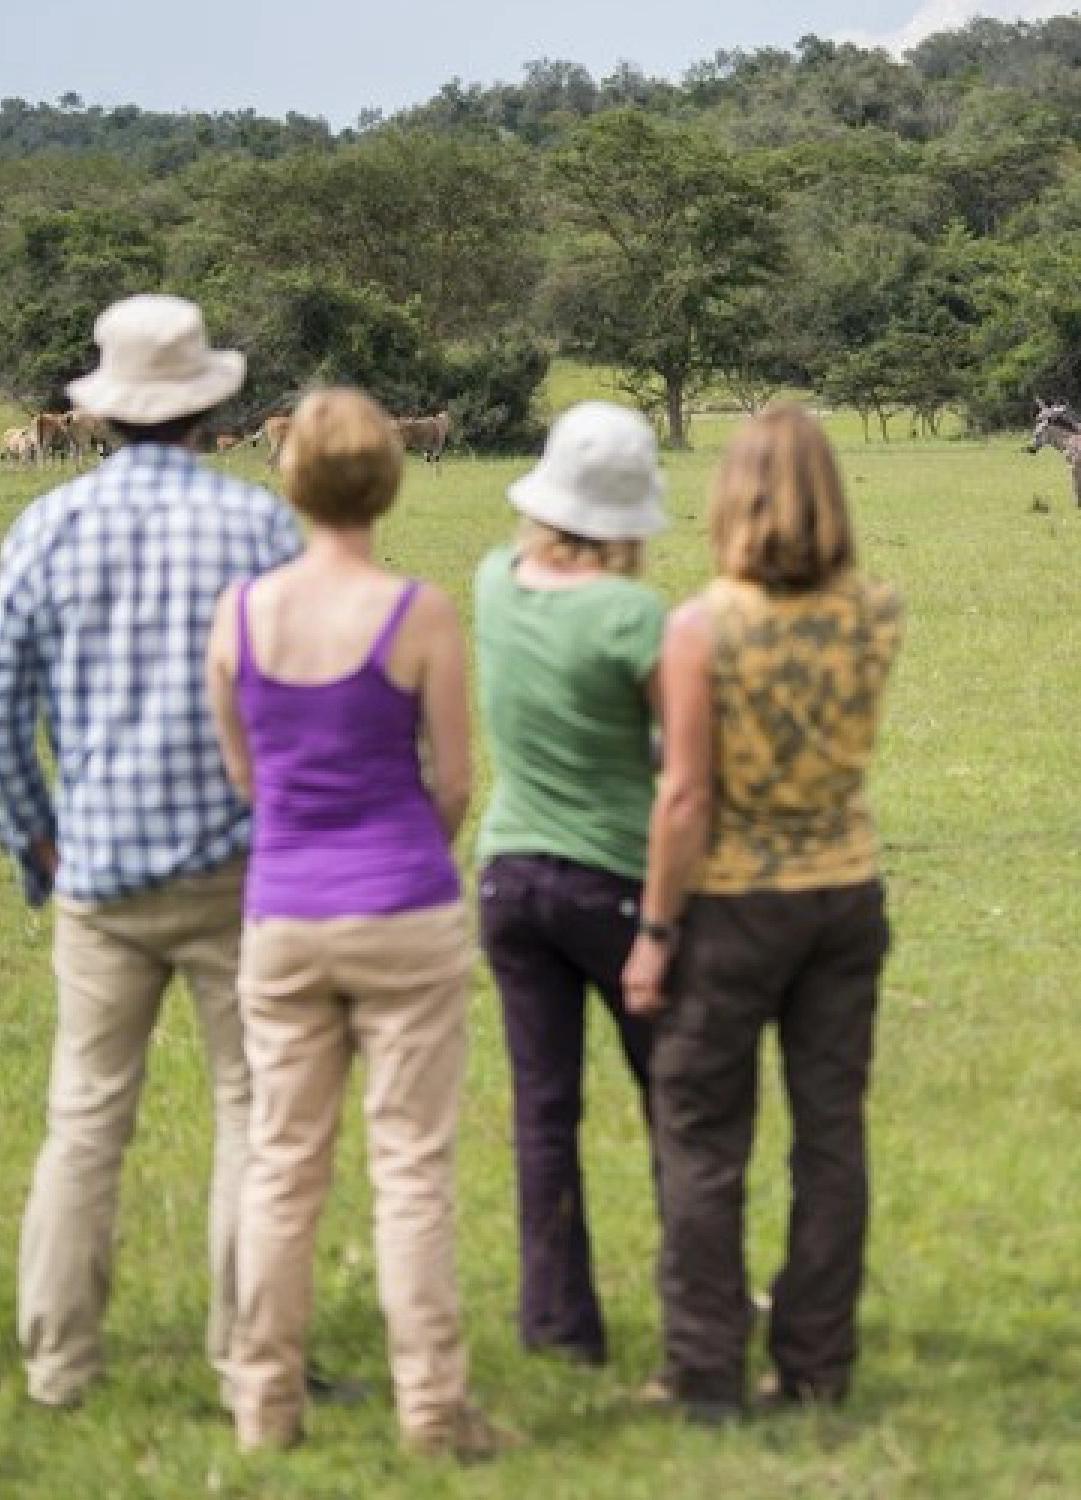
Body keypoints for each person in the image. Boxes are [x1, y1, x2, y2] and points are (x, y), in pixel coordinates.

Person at [0, 293, 300, 1412]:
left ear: (100, 413)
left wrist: (39, 847)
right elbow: (298, 705)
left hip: (99, 872)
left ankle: (59, 1366)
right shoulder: (259, 527)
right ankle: (249, 1360)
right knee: (252, 1115)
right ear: (207, 407)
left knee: (83, 1120)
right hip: (238, 870)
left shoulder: (45, 526)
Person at [206, 388, 512, 1461]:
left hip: (284, 913)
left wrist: (307, 835)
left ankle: (264, 1407)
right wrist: (408, 844)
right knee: (412, 1169)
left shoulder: (241, 614)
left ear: (290, 478)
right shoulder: (418, 613)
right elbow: (455, 783)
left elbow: (247, 777)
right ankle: (432, 1410)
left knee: (283, 1166)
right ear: (388, 480)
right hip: (403, 906)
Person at [622, 403, 905, 1424]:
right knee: (830, 1136)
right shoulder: (877, 610)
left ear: (730, 497)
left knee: (702, 1139)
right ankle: (817, 1364)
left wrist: (656, 933)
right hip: (845, 890)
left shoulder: (700, 627)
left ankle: (705, 1372)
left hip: (733, 904)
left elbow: (685, 797)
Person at [473, 402, 668, 1367]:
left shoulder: (491, 581)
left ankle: (557, 1324)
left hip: (509, 877)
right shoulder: (633, 615)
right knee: (677, 1100)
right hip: (616, 884)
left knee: (544, 1110)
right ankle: (700, 1295)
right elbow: (680, 758)